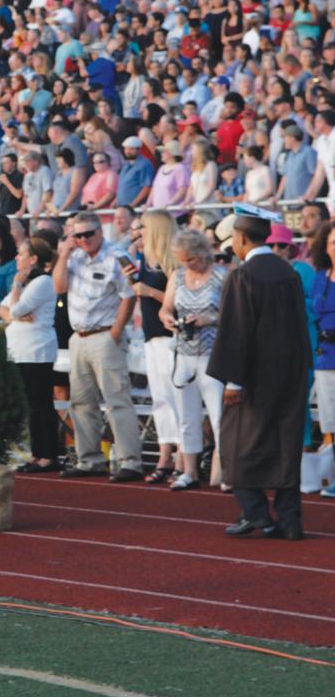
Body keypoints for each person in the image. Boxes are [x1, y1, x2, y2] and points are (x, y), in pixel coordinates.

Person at [208, 205, 312, 540]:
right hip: (290, 374)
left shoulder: (243, 275)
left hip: (253, 377)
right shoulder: (289, 272)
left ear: (240, 238)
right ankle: (289, 521)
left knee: (236, 442)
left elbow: (236, 330)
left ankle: (255, 513)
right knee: (285, 445)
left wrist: (233, 380)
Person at [52, 211, 143, 482]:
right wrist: (64, 254)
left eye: (89, 234)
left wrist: (115, 331)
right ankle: (88, 459)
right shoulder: (74, 256)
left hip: (105, 335)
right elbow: (59, 287)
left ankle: (130, 461)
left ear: (100, 232)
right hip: (78, 336)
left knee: (117, 400)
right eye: (78, 235)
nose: (84, 239)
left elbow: (130, 295)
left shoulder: (117, 255)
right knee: (81, 402)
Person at [159, 230, 226, 491]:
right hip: (183, 352)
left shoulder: (222, 275)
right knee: (186, 414)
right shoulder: (177, 277)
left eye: (190, 260)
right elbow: (166, 307)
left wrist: (208, 320)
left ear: (201, 253)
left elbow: (234, 312)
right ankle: (189, 470)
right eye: (182, 260)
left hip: (214, 353)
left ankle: (226, 471)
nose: (187, 265)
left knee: (219, 415)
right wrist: (167, 318)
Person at [130, 211, 183, 485]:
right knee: (160, 398)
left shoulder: (171, 262)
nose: (140, 231)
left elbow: (180, 300)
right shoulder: (145, 260)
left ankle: (183, 456)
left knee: (177, 398)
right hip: (151, 335)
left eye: (144, 227)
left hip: (171, 336)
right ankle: (165, 454)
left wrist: (149, 292)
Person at [0, 237, 61, 472]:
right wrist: (15, 311)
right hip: (19, 350)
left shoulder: (42, 281)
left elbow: (13, 309)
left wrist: (16, 287)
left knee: (41, 403)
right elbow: (2, 310)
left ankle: (48, 454)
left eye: (21, 254)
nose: (17, 258)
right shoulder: (27, 284)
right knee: (29, 405)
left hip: (36, 350)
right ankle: (37, 452)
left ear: (33, 259)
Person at [309, 223, 335, 499]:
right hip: (325, 357)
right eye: (332, 242)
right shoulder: (320, 277)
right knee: (330, 421)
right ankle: (331, 475)